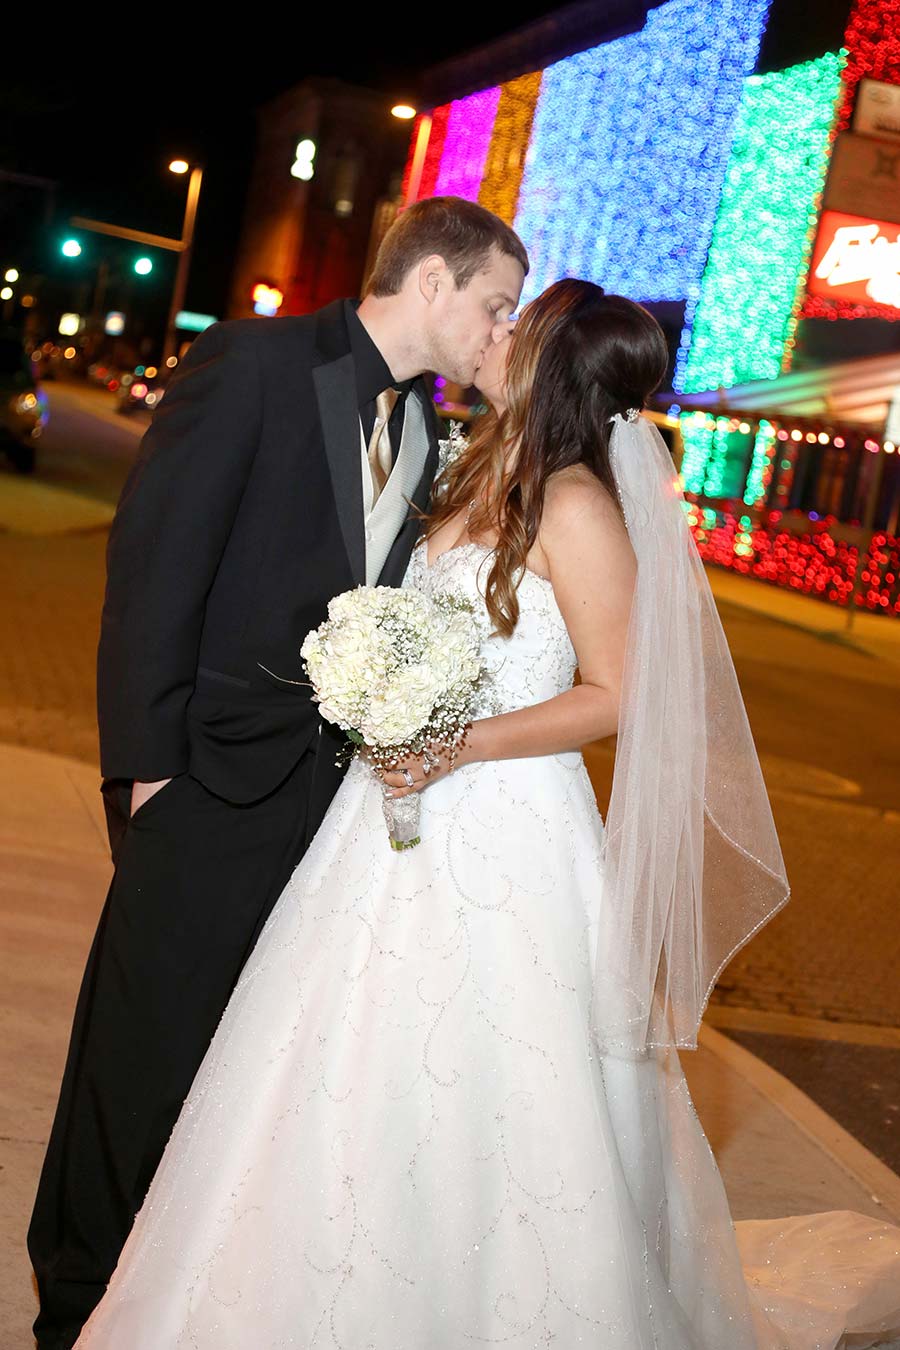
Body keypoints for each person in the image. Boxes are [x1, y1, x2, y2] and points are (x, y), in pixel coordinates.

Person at [75, 281, 900, 1348]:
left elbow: (615, 691)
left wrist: (455, 742)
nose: (498, 334)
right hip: (385, 823)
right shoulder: (477, 468)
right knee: (330, 1064)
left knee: (490, 1092)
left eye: (520, 324)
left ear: (554, 361)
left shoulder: (575, 504)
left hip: (506, 828)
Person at [28, 195, 528, 1350]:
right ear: (436, 283)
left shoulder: (420, 430)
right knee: (138, 1055)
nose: (499, 329)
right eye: (495, 304)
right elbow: (155, 567)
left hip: (323, 811)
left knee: (232, 1072)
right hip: (205, 785)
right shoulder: (255, 362)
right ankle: (72, 1305)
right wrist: (148, 778)